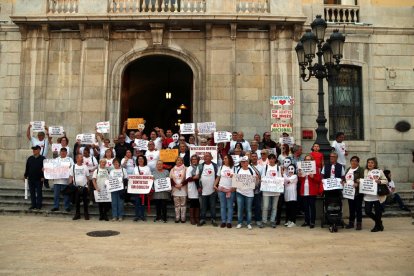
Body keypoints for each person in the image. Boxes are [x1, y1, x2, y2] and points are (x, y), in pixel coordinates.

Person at [321, 152, 345, 231]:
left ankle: (337, 218)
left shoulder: (340, 166)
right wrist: (323, 181)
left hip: (337, 189)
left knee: (338, 202)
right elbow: (322, 175)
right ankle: (329, 219)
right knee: (327, 202)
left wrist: (342, 181)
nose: (331, 158)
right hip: (328, 189)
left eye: (333, 157)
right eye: (330, 156)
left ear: (336, 158)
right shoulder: (326, 166)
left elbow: (343, 177)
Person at [363, 158, 388, 232]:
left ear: (375, 164)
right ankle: (379, 222)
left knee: (378, 212)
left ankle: (377, 226)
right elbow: (365, 180)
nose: (370, 164)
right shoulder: (366, 171)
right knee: (367, 211)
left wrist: (379, 181)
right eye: (368, 162)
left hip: (377, 196)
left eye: (372, 163)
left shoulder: (379, 171)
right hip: (368, 195)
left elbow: (386, 181)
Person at [298, 154, 322, 229]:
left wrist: (313, 177)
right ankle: (306, 221)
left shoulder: (316, 168)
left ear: (311, 161)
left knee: (312, 206)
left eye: (309, 160)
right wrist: (300, 175)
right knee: (305, 207)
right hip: (304, 190)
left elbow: (318, 180)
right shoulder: (302, 168)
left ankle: (312, 222)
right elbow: (300, 180)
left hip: (312, 190)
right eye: (306, 160)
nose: (307, 161)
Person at [235, 156, 258, 230]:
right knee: (240, 209)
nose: (244, 163)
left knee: (248, 209)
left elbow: (255, 182)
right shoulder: (238, 170)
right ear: (241, 163)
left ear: (248, 163)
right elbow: (235, 181)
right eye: (242, 162)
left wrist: (257, 179)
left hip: (249, 193)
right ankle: (239, 223)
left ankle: (248, 223)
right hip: (239, 192)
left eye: (245, 162)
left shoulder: (252, 171)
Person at [260, 153, 282, 228]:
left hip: (276, 190)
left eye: (273, 158)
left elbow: (280, 178)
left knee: (274, 207)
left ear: (275, 159)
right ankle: (264, 221)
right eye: (270, 159)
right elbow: (262, 177)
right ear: (268, 160)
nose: (272, 160)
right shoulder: (265, 167)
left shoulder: (278, 168)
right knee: (265, 206)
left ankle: (272, 221)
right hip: (266, 190)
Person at [214, 154, 235, 228]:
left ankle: (229, 221)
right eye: (224, 158)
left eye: (226, 158)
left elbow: (236, 179)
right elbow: (218, 177)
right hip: (221, 189)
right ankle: (223, 221)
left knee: (230, 206)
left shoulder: (234, 168)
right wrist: (214, 185)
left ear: (229, 159)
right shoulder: (221, 167)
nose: (224, 160)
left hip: (230, 189)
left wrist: (234, 188)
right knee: (222, 206)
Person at [198, 152, 218, 227]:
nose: (205, 157)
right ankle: (202, 219)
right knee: (203, 206)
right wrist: (199, 187)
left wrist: (216, 186)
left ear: (211, 157)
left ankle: (213, 219)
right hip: (203, 190)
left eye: (207, 156)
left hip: (213, 190)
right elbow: (198, 177)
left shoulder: (215, 166)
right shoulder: (200, 166)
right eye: (204, 156)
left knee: (213, 206)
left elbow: (218, 177)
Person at [344, 156, 365, 230]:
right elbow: (345, 178)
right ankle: (351, 223)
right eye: (352, 160)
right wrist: (343, 182)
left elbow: (363, 179)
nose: (353, 162)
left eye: (355, 161)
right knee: (351, 208)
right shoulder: (348, 169)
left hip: (357, 193)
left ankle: (359, 223)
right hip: (349, 192)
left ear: (358, 162)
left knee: (358, 208)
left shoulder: (361, 170)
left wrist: (358, 184)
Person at [50, 148, 74, 212]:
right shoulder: (56, 159)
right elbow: (51, 167)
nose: (63, 153)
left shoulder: (70, 159)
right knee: (56, 195)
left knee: (66, 194)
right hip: (57, 180)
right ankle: (56, 206)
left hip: (66, 180)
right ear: (60, 152)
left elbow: (73, 168)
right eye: (62, 151)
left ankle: (67, 207)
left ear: (66, 153)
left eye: (64, 151)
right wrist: (46, 169)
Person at [24, 145, 46, 210]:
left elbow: (46, 169)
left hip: (39, 179)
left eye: (35, 149)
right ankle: (33, 205)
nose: (34, 150)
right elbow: (27, 168)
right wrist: (25, 175)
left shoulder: (43, 159)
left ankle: (39, 205)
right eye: (33, 149)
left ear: (39, 150)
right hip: (31, 178)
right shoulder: (30, 158)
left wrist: (43, 176)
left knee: (39, 192)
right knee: (32, 192)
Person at [69, 154, 90, 220]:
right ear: (77, 159)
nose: (82, 158)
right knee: (77, 201)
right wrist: (70, 184)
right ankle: (77, 214)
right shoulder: (73, 167)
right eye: (81, 157)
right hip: (76, 187)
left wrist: (88, 186)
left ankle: (86, 214)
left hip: (84, 187)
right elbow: (71, 177)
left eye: (82, 157)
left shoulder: (85, 167)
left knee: (85, 201)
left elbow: (87, 177)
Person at [132, 155, 152, 221]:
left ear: (144, 160)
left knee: (143, 203)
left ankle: (142, 216)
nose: (140, 160)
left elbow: (150, 177)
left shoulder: (147, 168)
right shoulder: (135, 168)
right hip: (137, 188)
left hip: (144, 188)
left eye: (142, 159)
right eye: (139, 159)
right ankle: (136, 216)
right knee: (137, 202)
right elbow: (132, 178)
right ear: (137, 160)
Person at [170, 156, 188, 223]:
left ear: (183, 162)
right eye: (178, 160)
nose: (179, 161)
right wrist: (175, 185)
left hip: (183, 189)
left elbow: (187, 179)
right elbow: (171, 179)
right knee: (177, 205)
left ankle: (183, 218)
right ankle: (177, 217)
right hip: (175, 189)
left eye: (181, 160)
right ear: (176, 162)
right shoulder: (172, 169)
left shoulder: (186, 169)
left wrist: (181, 184)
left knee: (183, 204)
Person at [185, 155, 201, 225]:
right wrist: (195, 177)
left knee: (197, 203)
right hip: (192, 187)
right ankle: (192, 218)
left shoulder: (199, 167)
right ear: (191, 161)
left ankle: (197, 217)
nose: (194, 160)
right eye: (193, 159)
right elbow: (188, 179)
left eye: (195, 159)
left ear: (198, 160)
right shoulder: (189, 168)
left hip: (199, 187)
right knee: (192, 203)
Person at [249, 152, 263, 227]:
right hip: (249, 190)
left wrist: (259, 180)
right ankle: (249, 220)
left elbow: (263, 177)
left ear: (257, 158)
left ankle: (258, 220)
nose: (254, 157)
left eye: (255, 156)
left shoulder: (261, 167)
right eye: (252, 156)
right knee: (249, 206)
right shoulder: (248, 166)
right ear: (250, 157)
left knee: (258, 206)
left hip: (258, 189)